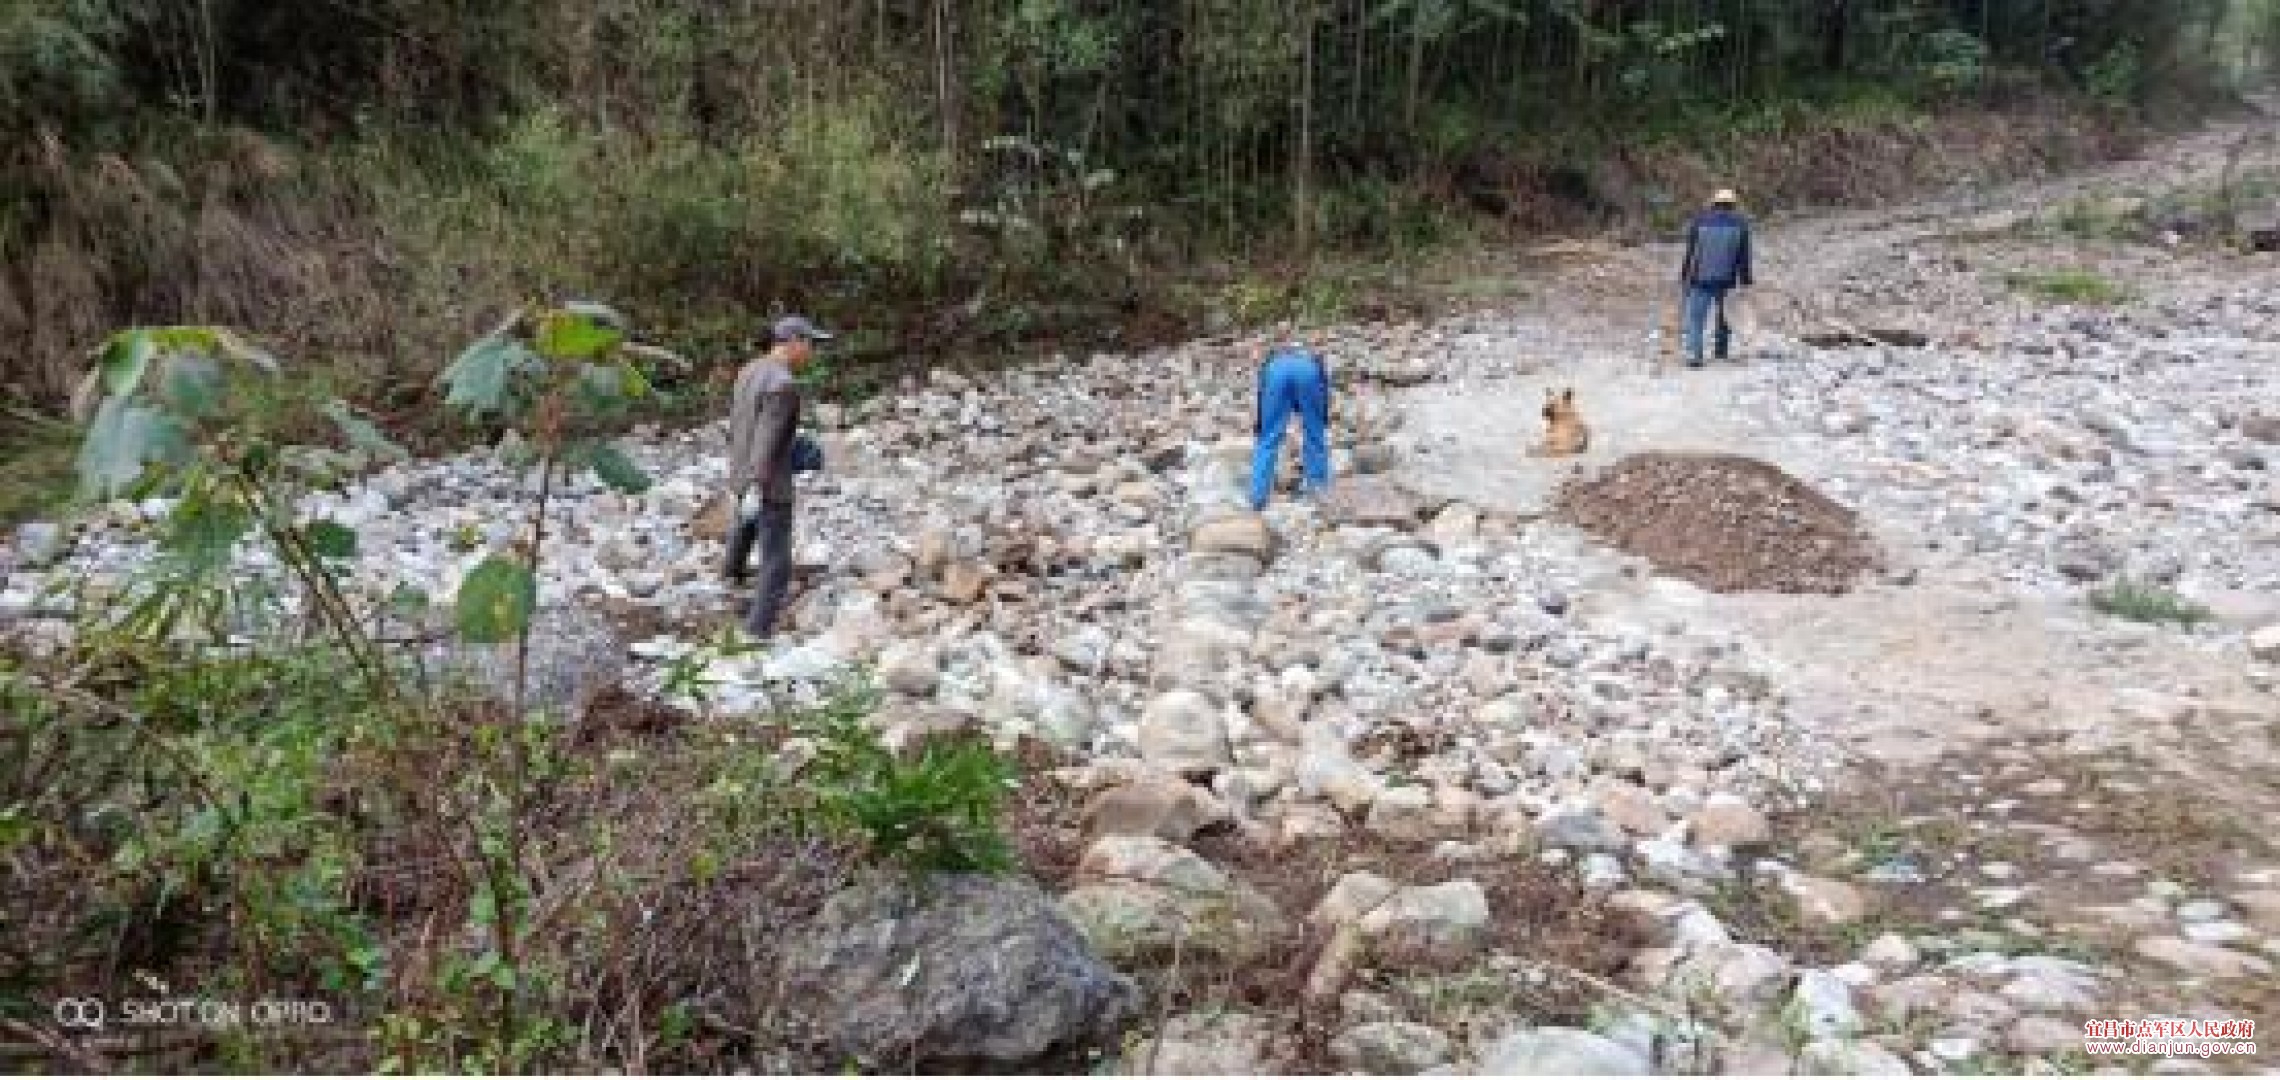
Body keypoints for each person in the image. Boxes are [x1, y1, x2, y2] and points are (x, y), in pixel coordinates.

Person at [724, 314, 832, 637]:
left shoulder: (748, 371)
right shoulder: (783, 384)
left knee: (746, 522)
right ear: (793, 342)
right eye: (810, 344)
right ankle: (756, 631)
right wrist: (761, 482)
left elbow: (743, 424)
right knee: (777, 561)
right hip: (768, 480)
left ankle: (732, 573)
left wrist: (746, 477)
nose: (812, 352)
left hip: (740, 470)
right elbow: (768, 438)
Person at [1250, 339, 1332, 511]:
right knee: (1314, 434)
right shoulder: (1313, 361)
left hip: (1276, 374)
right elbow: (1324, 391)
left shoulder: (1271, 363)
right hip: (1308, 372)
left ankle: (1258, 497)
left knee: (1268, 438)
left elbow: (1260, 394)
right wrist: (1322, 417)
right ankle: (1319, 490)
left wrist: (1260, 424)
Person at [1679, 188, 1754, 368]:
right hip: (1727, 280)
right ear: (1733, 205)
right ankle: (1721, 352)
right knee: (1725, 316)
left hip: (1700, 279)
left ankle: (1695, 356)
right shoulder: (1741, 224)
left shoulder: (1699, 221)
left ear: (1714, 203)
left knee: (1696, 319)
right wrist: (1746, 281)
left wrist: (1684, 275)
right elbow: (1744, 257)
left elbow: (1690, 252)